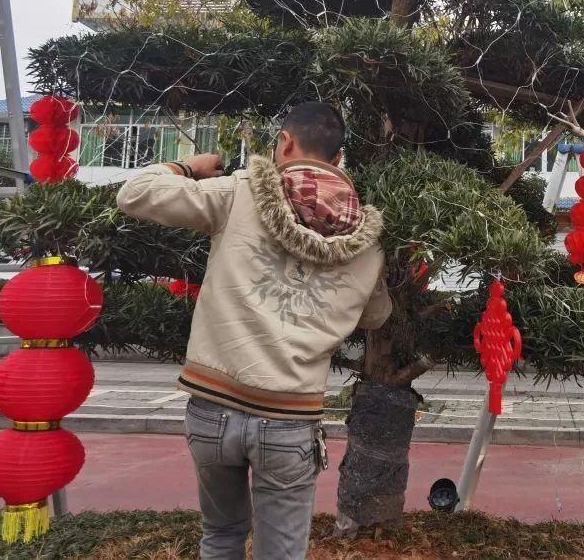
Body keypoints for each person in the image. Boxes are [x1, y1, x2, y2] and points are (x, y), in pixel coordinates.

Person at [117, 102, 390, 560]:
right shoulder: (366, 235)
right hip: (289, 419)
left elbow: (135, 192)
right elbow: (376, 315)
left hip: (212, 405)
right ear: (339, 159)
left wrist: (188, 166)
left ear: (284, 142)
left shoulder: (239, 192)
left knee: (221, 536)